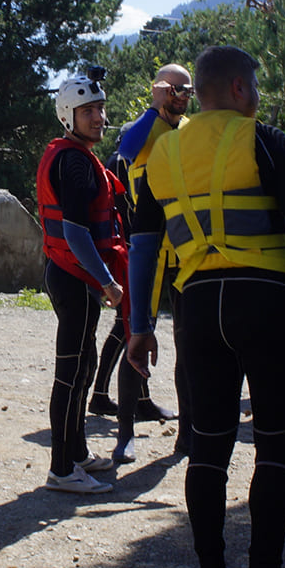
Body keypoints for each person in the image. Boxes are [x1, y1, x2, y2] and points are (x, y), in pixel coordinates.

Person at [127, 46, 285, 568]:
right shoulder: (265, 141)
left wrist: (140, 325)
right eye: (253, 85)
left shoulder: (163, 154)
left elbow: (145, 249)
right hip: (267, 301)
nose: (258, 96)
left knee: (208, 446)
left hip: (199, 307)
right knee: (275, 443)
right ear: (233, 89)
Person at [36, 71, 127, 494]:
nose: (98, 117)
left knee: (85, 366)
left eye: (100, 109)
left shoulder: (75, 155)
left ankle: (76, 453)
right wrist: (107, 281)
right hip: (75, 277)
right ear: (68, 117)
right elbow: (75, 232)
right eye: (87, 111)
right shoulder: (74, 162)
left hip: (73, 275)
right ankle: (61, 468)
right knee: (71, 373)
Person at [108, 63, 193, 446]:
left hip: (185, 245)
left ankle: (188, 432)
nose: (179, 95)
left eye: (185, 89)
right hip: (148, 243)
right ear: (158, 89)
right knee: (136, 332)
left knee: (188, 340)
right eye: (172, 88)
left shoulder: (190, 129)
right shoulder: (140, 129)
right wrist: (153, 109)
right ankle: (124, 433)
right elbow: (124, 151)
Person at [91, 149, 147, 464]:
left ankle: (140, 401)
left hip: (148, 248)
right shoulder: (123, 160)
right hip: (131, 251)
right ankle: (119, 419)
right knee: (129, 328)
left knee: (132, 328)